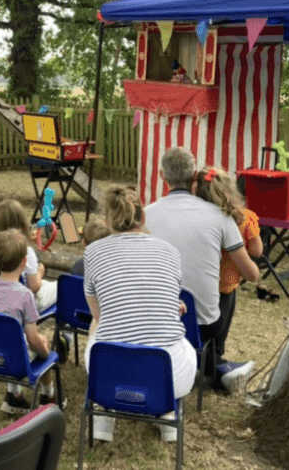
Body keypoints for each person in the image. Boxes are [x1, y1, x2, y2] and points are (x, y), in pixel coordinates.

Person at [82, 185, 196, 443]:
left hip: (109, 373)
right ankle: (167, 414)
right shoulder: (170, 252)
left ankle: (103, 416)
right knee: (181, 344)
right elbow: (169, 298)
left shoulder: (93, 253)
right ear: (143, 218)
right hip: (169, 376)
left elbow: (99, 315)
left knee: (98, 333)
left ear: (108, 221)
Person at [145, 147, 260, 391]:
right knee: (226, 291)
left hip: (152, 317)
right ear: (194, 174)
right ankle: (214, 362)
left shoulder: (145, 216)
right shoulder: (221, 217)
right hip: (201, 324)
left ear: (162, 176)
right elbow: (250, 272)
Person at [0, 228, 60, 414]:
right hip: (14, 359)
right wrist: (44, 348)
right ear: (24, 262)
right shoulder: (25, 296)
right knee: (41, 347)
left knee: (8, 339)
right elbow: (32, 339)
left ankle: (14, 396)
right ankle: (49, 397)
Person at [196, 168, 264, 366]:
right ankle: (214, 364)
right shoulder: (245, 218)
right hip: (225, 285)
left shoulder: (198, 220)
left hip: (198, 285)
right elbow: (257, 250)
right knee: (218, 332)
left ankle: (202, 360)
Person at [0, 199, 57, 311]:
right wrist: (40, 274)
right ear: (22, 222)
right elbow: (34, 287)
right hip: (22, 306)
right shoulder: (26, 251)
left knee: (46, 284)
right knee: (60, 286)